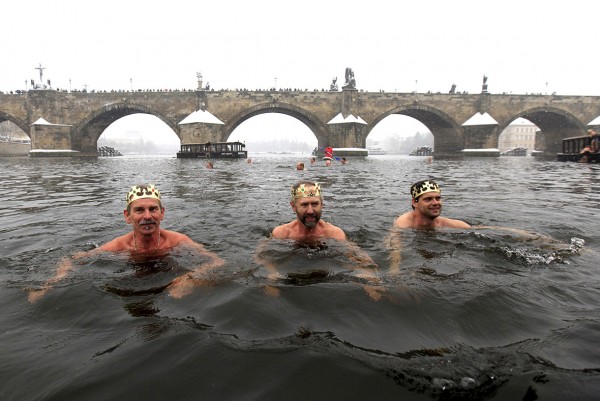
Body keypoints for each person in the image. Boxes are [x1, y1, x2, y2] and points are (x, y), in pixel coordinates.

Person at [28, 184, 225, 303]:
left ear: (162, 213)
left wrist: (189, 278)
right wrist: (48, 284)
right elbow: (71, 260)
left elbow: (217, 263)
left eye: (153, 209)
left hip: (171, 279)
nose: (147, 216)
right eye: (139, 210)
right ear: (127, 216)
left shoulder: (178, 241)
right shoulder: (118, 247)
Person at [255, 180, 382, 300]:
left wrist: (368, 275)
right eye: (304, 205)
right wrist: (271, 273)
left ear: (322, 204)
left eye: (315, 204)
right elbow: (260, 254)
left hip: (327, 277)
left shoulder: (334, 233)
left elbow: (357, 255)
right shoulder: (282, 233)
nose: (310, 211)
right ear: (293, 206)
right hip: (292, 276)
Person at [393, 180, 470, 229]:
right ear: (414, 202)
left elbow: (471, 229)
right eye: (428, 199)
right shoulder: (403, 225)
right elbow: (395, 247)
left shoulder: (442, 223)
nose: (436, 203)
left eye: (438, 198)